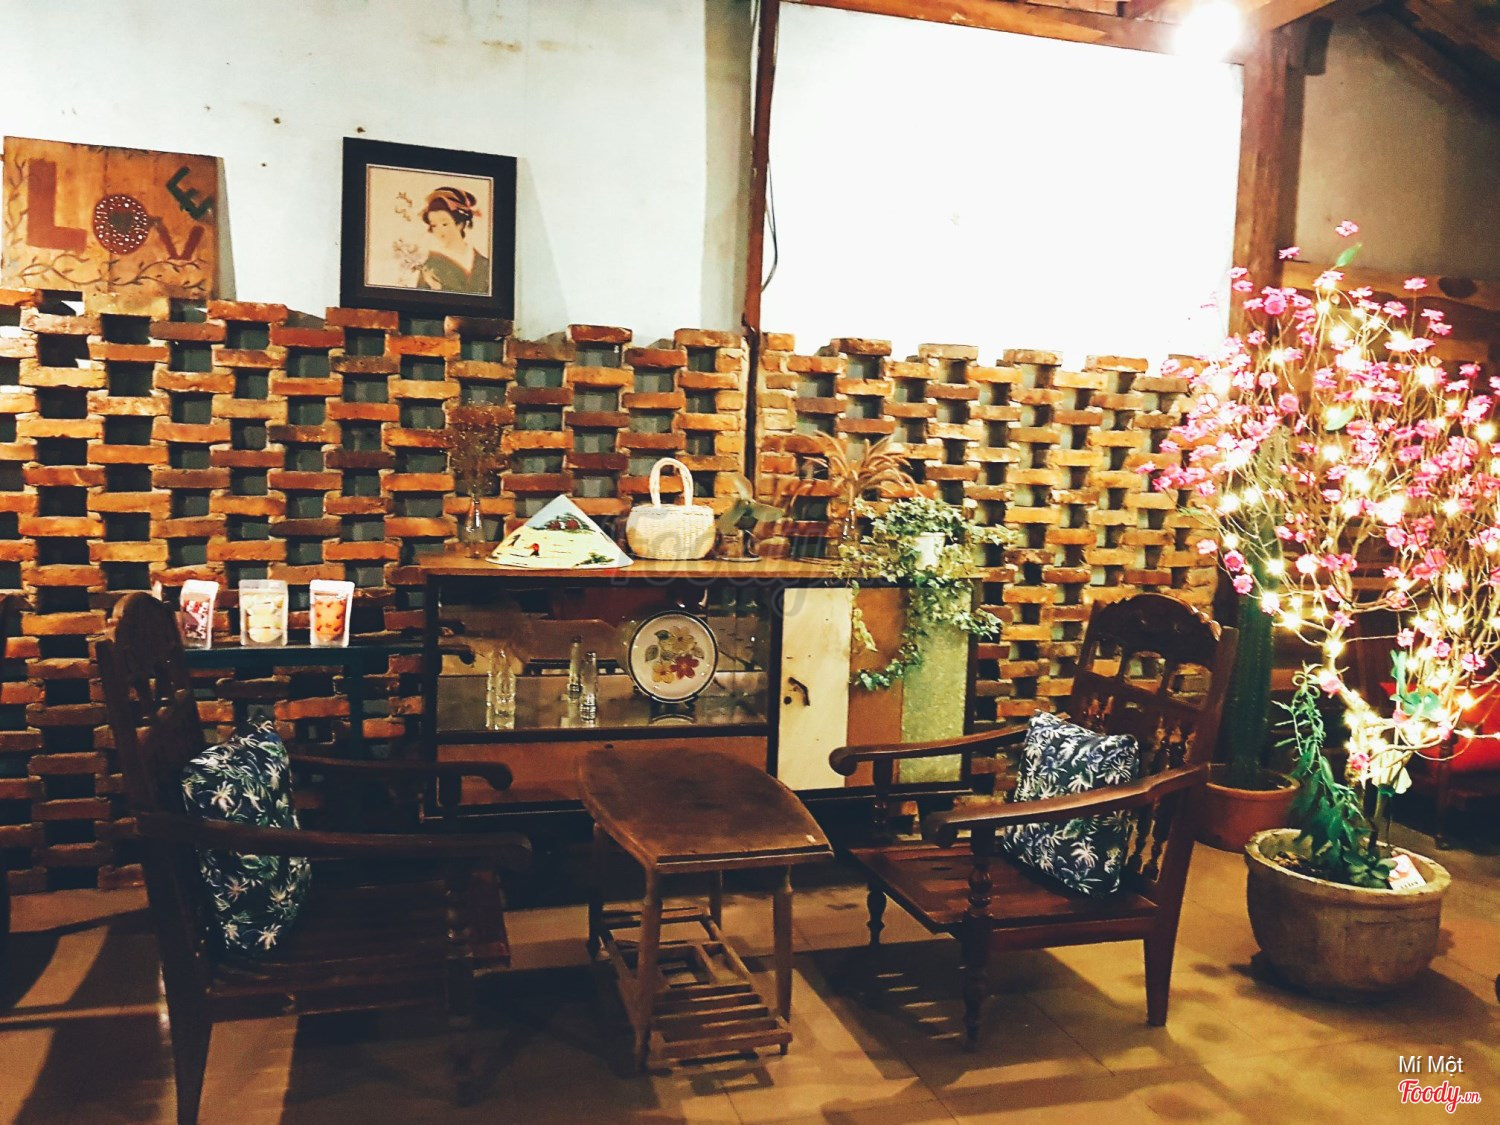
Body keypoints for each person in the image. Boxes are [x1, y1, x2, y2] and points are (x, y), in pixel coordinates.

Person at [417, 186, 490, 295]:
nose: (439, 230)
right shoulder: (430, 265)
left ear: (460, 224)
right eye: (434, 225)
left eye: (445, 224)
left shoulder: (484, 263)